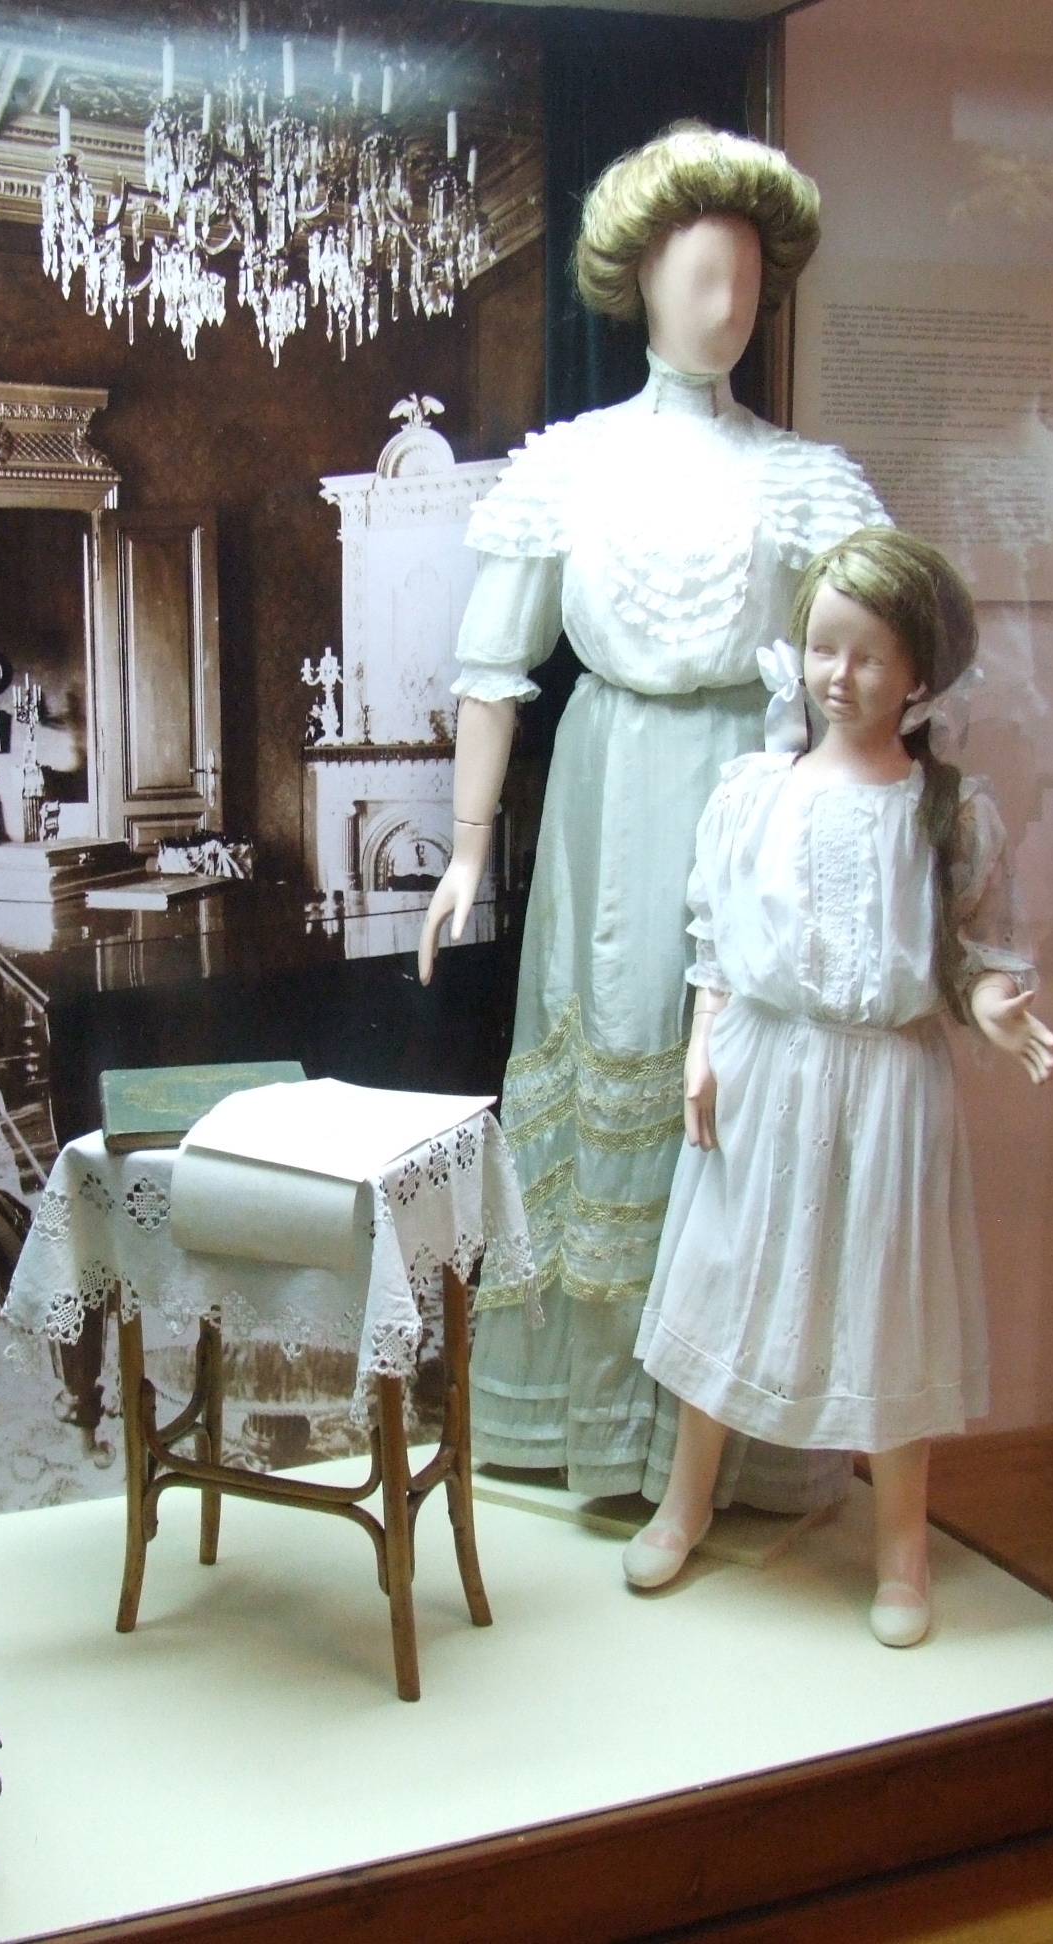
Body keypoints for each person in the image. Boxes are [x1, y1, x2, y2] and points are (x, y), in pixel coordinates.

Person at [418, 125, 886, 1509]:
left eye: (745, 278)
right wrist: (466, 847)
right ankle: (595, 1427)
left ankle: (731, 1450)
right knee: (619, 1047)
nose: (725, 304)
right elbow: (492, 666)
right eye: (699, 275)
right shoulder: (576, 466)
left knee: (743, 1093)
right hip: (610, 792)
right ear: (642, 284)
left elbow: (862, 674)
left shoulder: (802, 477)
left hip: (757, 789)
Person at [623, 529, 1053, 1646]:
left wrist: (993, 1005)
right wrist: (703, 1043)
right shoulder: (756, 793)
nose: (840, 675)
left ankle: (902, 1546)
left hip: (890, 1085)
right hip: (768, 1068)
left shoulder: (948, 810)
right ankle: (686, 1498)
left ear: (918, 674)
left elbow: (976, 946)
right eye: (825, 648)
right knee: (730, 1272)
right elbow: (718, 933)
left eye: (869, 656)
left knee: (886, 1296)